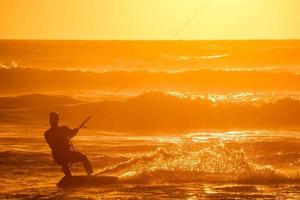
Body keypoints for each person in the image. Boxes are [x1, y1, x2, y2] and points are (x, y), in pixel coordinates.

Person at [44, 112, 93, 177]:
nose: (52, 121)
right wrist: (70, 135)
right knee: (77, 159)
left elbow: (71, 134)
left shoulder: (55, 131)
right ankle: (71, 177)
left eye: (54, 119)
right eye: (52, 119)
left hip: (61, 155)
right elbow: (53, 144)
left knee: (80, 159)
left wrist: (75, 131)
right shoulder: (50, 132)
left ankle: (87, 176)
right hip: (60, 156)